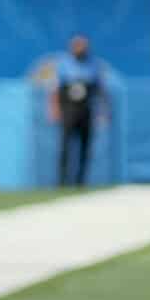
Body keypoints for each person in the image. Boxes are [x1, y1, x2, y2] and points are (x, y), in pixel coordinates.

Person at [48, 34, 106, 187]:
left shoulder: (93, 64)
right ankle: (62, 182)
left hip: (85, 109)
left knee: (85, 146)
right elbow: (56, 88)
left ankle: (81, 181)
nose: (80, 49)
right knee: (65, 146)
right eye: (77, 46)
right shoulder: (64, 64)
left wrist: (102, 111)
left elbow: (99, 89)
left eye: (83, 46)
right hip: (69, 109)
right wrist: (55, 108)